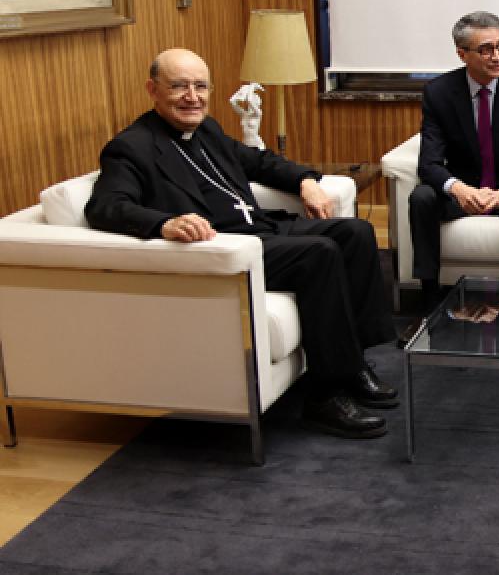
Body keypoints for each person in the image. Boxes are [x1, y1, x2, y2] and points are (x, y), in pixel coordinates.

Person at [85, 48, 397, 439]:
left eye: (200, 87)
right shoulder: (133, 146)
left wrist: (306, 181)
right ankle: (324, 396)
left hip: (262, 231)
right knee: (319, 252)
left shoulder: (207, 130)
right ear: (153, 89)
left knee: (355, 232)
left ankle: (354, 365)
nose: (192, 97)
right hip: (228, 248)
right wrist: (164, 223)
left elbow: (258, 162)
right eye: (179, 86)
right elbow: (105, 206)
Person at [408, 11, 499, 313]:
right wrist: (458, 189)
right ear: (462, 54)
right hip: (463, 193)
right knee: (421, 196)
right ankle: (430, 302)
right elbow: (429, 163)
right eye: (486, 49)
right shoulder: (439, 93)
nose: (497, 56)